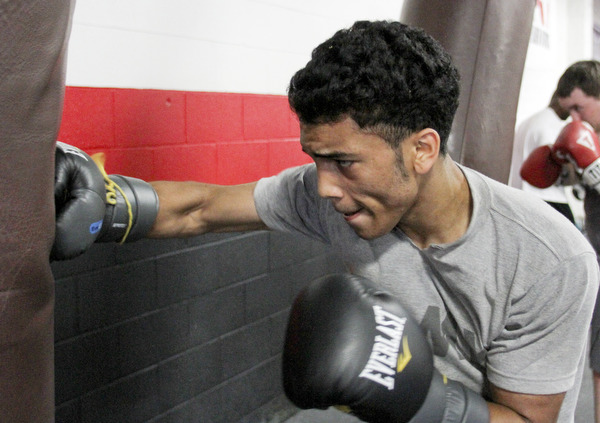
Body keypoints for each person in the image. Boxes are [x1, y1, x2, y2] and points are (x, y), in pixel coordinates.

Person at [55, 21, 599, 422]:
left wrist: (421, 399)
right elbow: (201, 208)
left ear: (422, 149)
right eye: (316, 159)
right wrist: (107, 205)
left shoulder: (549, 259)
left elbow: (529, 420)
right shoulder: (330, 196)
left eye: (343, 161)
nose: (322, 186)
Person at [508, 90, 575, 223]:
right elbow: (557, 171)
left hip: (519, 196)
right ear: (562, 101)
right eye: (574, 107)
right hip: (547, 199)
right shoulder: (552, 125)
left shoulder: (529, 121)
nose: (574, 114)